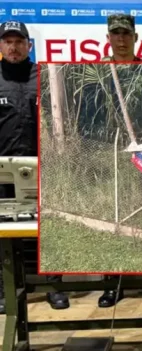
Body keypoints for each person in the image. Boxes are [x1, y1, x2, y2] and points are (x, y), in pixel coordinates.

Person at [96, 14, 142, 307]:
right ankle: (113, 283)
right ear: (109, 38)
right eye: (116, 34)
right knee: (113, 213)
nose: (122, 40)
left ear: (136, 38)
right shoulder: (98, 72)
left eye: (127, 34)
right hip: (112, 151)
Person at [0, 20, 69, 309]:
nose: (14, 47)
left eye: (19, 41)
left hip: (42, 165)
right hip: (3, 168)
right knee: (4, 232)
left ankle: (53, 287)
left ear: (29, 45)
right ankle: (5, 291)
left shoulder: (42, 76)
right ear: (1, 46)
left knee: (48, 229)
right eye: (8, 41)